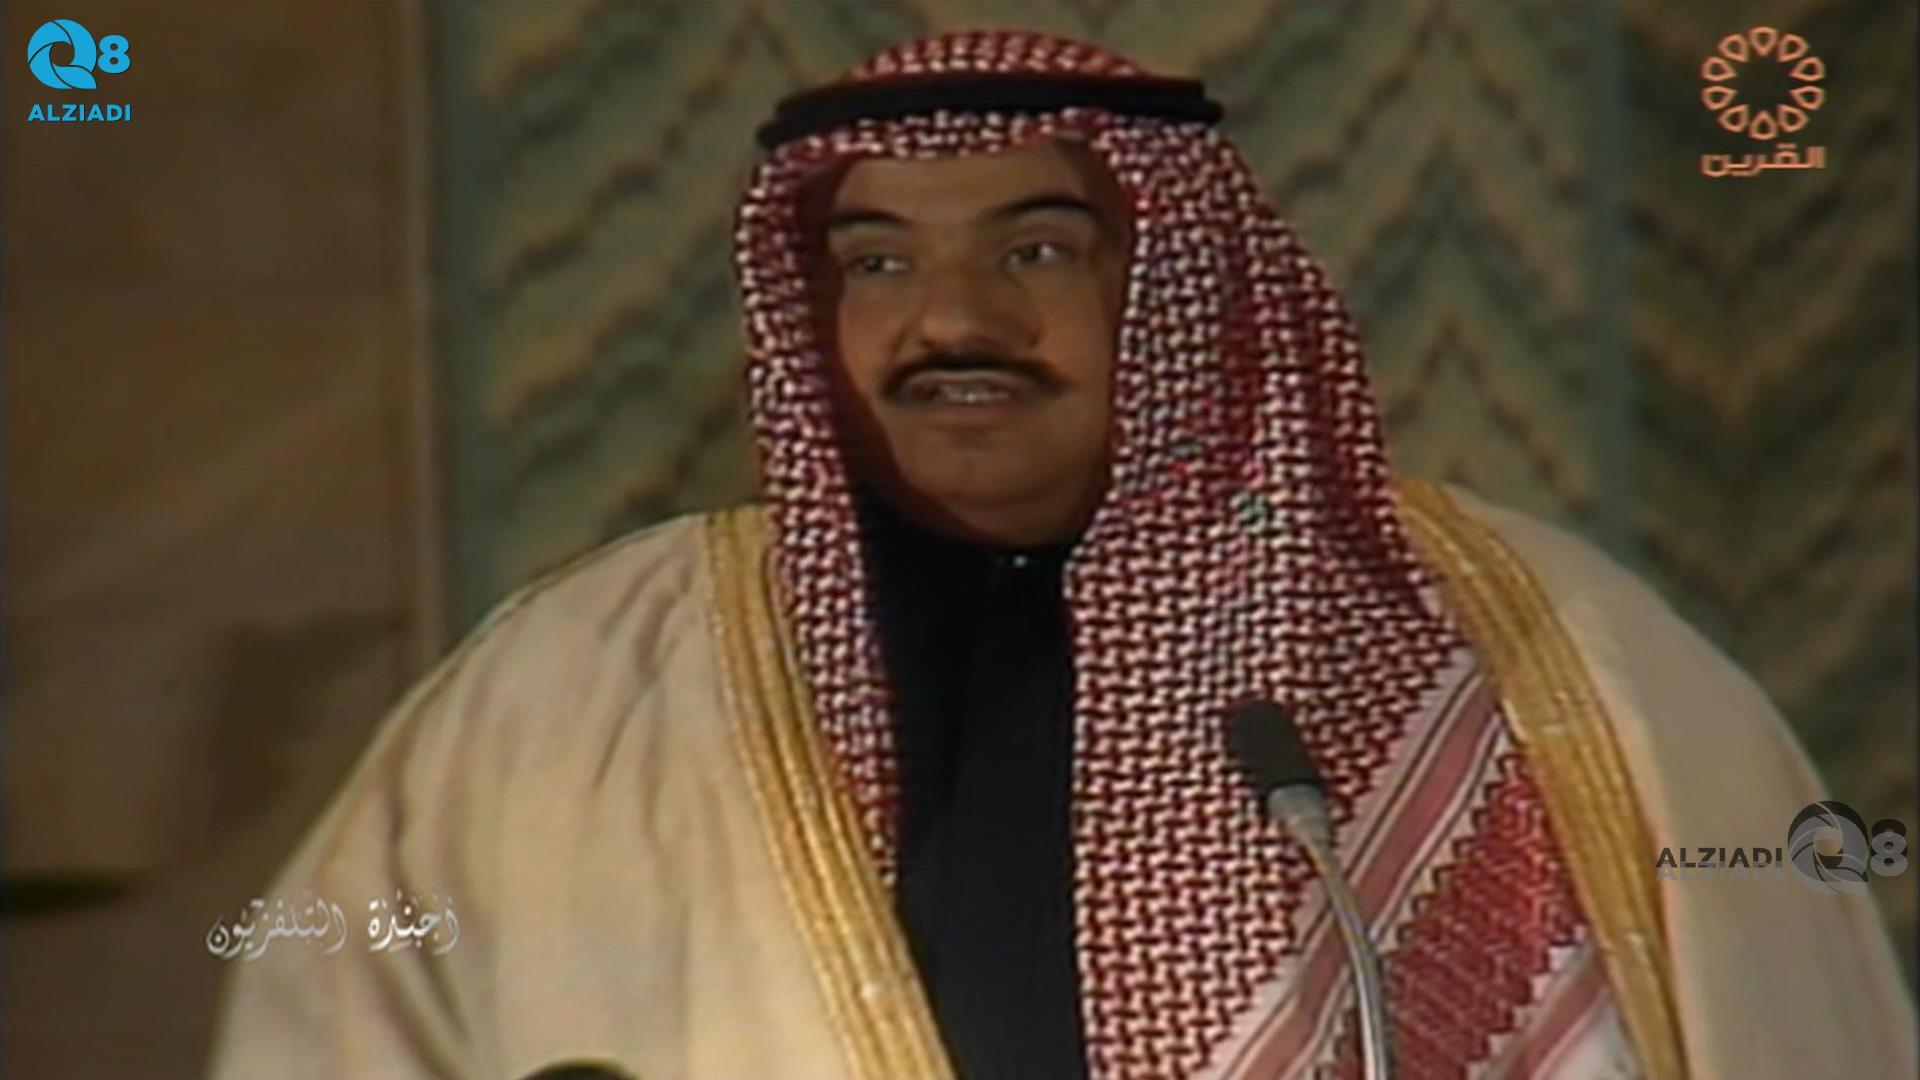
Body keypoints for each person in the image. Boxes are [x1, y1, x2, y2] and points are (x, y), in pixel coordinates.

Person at [208, 31, 1912, 1080]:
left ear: (1183, 286)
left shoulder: (1553, 655)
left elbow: (1784, 1003)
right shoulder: (572, 687)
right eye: (877, 264)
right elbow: (332, 1010)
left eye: (1037, 250)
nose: (951, 320)